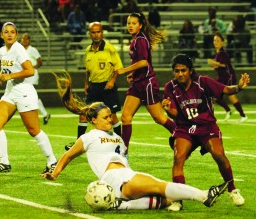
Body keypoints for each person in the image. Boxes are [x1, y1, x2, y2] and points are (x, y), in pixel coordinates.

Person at [42, 72, 228, 211]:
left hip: (126, 176)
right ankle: (204, 196)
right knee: (161, 186)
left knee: (165, 200)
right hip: (116, 178)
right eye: (106, 117)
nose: (110, 120)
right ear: (93, 120)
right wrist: (55, 173)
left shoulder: (117, 138)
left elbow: (124, 159)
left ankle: (119, 205)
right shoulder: (88, 137)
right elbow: (68, 155)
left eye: (110, 116)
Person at [162, 54, 248, 211]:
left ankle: (232, 189)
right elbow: (175, 113)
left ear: (190, 71)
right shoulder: (170, 87)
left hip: (206, 126)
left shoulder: (203, 82)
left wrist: (239, 87)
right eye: (176, 71)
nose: (180, 74)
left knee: (219, 156)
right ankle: (178, 199)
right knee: (178, 158)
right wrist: (167, 110)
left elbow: (225, 90)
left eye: (183, 70)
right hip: (184, 128)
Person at [0, 22, 57, 174]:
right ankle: (4, 162)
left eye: (12, 32)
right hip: (10, 92)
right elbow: (6, 68)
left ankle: (52, 161)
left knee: (34, 130)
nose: (9, 34)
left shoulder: (18, 49)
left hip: (24, 92)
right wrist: (0, 77)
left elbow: (30, 70)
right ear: (2, 35)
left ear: (16, 35)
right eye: (6, 32)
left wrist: (10, 76)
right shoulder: (2, 50)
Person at [115, 12, 176, 155]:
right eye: (129, 23)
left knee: (159, 118)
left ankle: (183, 135)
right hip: (138, 83)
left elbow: (143, 62)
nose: (130, 26)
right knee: (125, 117)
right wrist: (133, 74)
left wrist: (125, 70)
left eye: (134, 23)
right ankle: (124, 152)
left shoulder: (140, 40)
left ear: (140, 25)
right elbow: (140, 62)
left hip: (147, 84)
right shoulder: (137, 39)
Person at [64, 22, 123, 151]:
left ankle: (120, 143)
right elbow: (88, 70)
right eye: (93, 32)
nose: (96, 35)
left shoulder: (110, 49)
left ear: (102, 33)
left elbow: (119, 68)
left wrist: (112, 81)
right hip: (93, 87)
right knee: (83, 114)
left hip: (107, 87)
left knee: (112, 117)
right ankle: (78, 145)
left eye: (98, 32)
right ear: (89, 34)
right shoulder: (88, 50)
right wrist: (87, 82)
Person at [207, 32, 247, 122]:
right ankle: (228, 110)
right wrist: (215, 66)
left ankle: (243, 115)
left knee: (231, 96)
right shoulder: (218, 53)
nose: (215, 42)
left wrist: (214, 63)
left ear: (222, 42)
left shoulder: (222, 53)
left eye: (217, 40)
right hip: (222, 77)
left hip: (228, 77)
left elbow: (225, 65)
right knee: (213, 94)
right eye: (214, 40)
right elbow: (220, 66)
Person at [20, 33, 51, 125]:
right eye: (23, 39)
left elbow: (40, 61)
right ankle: (45, 114)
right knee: (29, 95)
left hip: (32, 75)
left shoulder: (32, 50)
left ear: (29, 40)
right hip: (25, 75)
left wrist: (34, 67)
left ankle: (33, 117)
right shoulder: (20, 50)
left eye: (26, 39)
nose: (24, 41)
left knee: (28, 94)